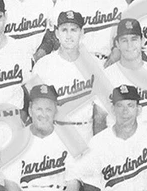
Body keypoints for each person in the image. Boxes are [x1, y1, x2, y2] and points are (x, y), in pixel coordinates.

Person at [31, 10, 107, 149]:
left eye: (74, 30)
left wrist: (98, 146)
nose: (69, 35)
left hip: (85, 133)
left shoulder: (95, 65)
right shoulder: (43, 65)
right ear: (56, 34)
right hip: (54, 136)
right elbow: (35, 112)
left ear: (82, 33)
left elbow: (100, 113)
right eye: (64, 30)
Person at [102, 18, 147, 131]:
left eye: (134, 39)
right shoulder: (106, 76)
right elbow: (99, 119)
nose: (129, 45)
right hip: (116, 142)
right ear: (117, 43)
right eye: (124, 40)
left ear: (142, 41)